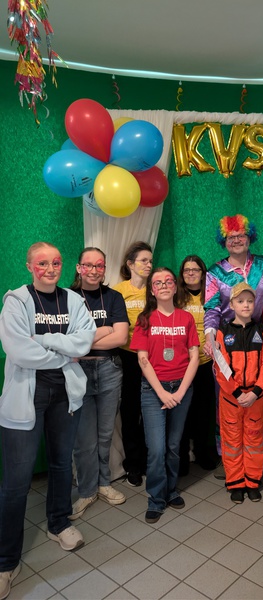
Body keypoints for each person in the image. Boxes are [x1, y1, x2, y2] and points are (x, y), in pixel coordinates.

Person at [0, 242, 96, 599]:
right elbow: (18, 350)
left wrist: (43, 339)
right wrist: (63, 352)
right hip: (27, 396)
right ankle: (6, 561)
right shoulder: (16, 301)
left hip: (65, 395)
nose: (50, 269)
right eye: (42, 263)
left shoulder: (73, 300)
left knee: (60, 464)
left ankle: (58, 523)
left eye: (56, 262)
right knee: (16, 482)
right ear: (30, 266)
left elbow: (84, 341)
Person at [130, 267, 199, 524]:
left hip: (182, 388)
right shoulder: (145, 319)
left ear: (175, 286)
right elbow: (142, 359)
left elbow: (194, 357)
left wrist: (179, 392)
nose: (164, 285)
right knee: (156, 448)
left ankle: (171, 491)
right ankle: (156, 499)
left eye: (168, 281)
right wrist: (161, 392)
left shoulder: (186, 318)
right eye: (158, 283)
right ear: (152, 290)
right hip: (153, 391)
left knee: (173, 445)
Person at [69, 247, 130, 519]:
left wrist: (83, 341)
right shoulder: (66, 298)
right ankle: (86, 491)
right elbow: (66, 341)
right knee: (84, 439)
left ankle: (104, 483)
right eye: (88, 265)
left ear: (104, 269)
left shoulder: (113, 297)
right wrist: (104, 330)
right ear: (79, 268)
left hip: (109, 370)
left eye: (100, 265)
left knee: (105, 434)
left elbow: (121, 338)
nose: (94, 271)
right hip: (77, 372)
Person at [204, 214, 263, 476]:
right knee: (228, 399)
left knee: (256, 397)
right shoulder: (215, 272)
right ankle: (227, 457)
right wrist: (210, 338)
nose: (237, 240)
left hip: (259, 340)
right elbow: (211, 307)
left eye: (241, 235)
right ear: (224, 241)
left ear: (249, 237)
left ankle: (254, 459)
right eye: (231, 237)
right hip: (228, 343)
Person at [214, 282, 263, 503]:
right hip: (231, 398)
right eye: (240, 301)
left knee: (254, 439)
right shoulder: (223, 332)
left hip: (256, 397)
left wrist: (255, 392)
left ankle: (252, 481)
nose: (245, 305)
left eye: (249, 301)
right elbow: (221, 368)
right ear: (232, 305)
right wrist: (237, 393)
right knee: (232, 441)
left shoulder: (261, 331)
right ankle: (236, 482)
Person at [113, 241, 153, 487]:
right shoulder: (118, 291)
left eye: (150, 261)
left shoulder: (155, 289)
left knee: (151, 411)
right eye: (143, 260)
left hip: (153, 358)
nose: (148, 265)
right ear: (130, 264)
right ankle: (133, 465)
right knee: (130, 412)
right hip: (128, 357)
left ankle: (150, 460)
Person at [177, 256, 217, 475]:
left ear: (203, 274)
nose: (191, 273)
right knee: (182, 411)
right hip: (182, 364)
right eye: (186, 270)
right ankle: (182, 457)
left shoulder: (212, 295)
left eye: (195, 270)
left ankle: (201, 452)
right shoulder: (176, 297)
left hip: (206, 363)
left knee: (203, 410)